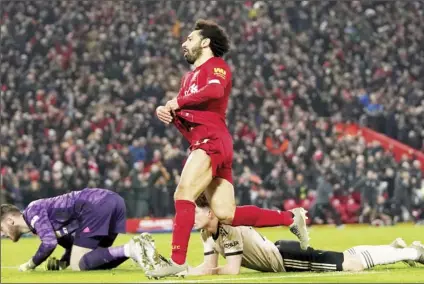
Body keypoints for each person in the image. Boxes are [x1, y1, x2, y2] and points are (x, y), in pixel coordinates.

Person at [151, 18, 309, 278]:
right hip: (205, 142)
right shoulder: (187, 78)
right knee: (226, 213)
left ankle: (177, 260)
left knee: (183, 194)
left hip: (212, 141)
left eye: (189, 38)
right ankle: (291, 218)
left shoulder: (217, 67)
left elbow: (214, 92)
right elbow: (190, 119)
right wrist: (169, 113)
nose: (184, 42)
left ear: (205, 42)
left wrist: (176, 103)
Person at [140, 195, 423, 278]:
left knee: (352, 264)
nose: (192, 217)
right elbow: (208, 266)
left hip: (286, 259)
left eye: (197, 212)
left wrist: (204, 272)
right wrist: (183, 273)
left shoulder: (228, 230)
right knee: (347, 257)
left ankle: (411, 252)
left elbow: (231, 271)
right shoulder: (207, 234)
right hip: (280, 253)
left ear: (211, 212)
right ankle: (394, 248)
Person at [0, 188, 153, 272]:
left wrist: (30, 265)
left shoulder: (32, 211)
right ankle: (139, 246)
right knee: (94, 261)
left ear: (10, 220)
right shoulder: (39, 223)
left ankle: (131, 248)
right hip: (112, 201)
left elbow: (49, 243)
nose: (2, 233)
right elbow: (70, 243)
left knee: (78, 264)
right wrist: (63, 262)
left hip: (95, 204)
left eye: (1, 228)